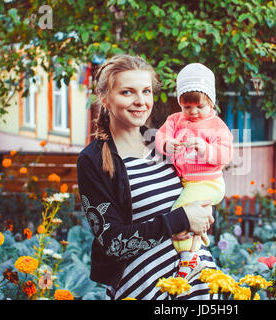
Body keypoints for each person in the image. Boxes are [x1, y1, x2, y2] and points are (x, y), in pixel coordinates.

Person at [76, 55, 217, 300]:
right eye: (127, 92)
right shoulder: (94, 160)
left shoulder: (163, 143)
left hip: (199, 283)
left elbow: (197, 185)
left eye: (146, 91)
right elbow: (113, 243)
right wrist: (181, 219)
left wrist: (202, 212)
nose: (140, 101)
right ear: (105, 98)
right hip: (144, 287)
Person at [155, 63, 233, 280]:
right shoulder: (175, 120)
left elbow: (226, 155)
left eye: (200, 107)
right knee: (188, 215)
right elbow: (160, 136)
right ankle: (196, 239)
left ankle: (188, 258)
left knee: (181, 212)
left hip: (208, 183)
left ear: (211, 101)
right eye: (187, 107)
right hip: (186, 182)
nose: (193, 112)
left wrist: (206, 148)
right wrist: (166, 145)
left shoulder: (216, 126)